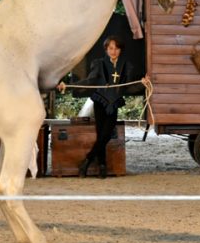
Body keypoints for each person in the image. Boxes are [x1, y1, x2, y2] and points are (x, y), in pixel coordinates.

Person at [58, 36, 149, 178]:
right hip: (100, 102)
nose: (113, 51)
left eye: (116, 48)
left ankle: (87, 160)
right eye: (110, 48)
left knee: (105, 135)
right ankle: (102, 166)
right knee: (102, 135)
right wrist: (68, 86)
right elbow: (90, 80)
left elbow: (128, 87)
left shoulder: (126, 65)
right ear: (106, 49)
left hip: (114, 103)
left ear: (120, 50)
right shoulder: (98, 63)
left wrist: (141, 83)